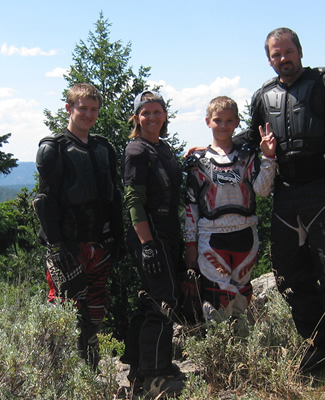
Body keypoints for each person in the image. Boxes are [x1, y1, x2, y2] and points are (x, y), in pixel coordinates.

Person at [234, 27, 325, 384]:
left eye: (287, 51)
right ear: (268, 59)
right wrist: (212, 147)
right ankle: (319, 343)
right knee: (288, 276)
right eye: (275, 54)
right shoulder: (263, 96)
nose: (283, 59)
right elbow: (251, 136)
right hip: (286, 192)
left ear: (299, 50)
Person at [33, 83, 124, 370]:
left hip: (99, 243)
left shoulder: (104, 148)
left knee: (96, 311)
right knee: (63, 312)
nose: (88, 114)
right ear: (68, 108)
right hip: (68, 245)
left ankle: (89, 370)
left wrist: (119, 238)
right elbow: (44, 201)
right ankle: (58, 374)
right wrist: (56, 246)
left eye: (94, 109)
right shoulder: (53, 148)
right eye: (82, 108)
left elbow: (114, 197)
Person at [184, 96, 276, 331]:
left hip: (246, 233)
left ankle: (243, 355)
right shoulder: (197, 161)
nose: (223, 125)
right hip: (211, 238)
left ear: (236, 122)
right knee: (218, 297)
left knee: (242, 295)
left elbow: (263, 192)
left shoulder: (248, 156)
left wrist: (268, 158)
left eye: (228, 121)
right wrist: (190, 245)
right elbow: (191, 208)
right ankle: (219, 354)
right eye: (217, 120)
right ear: (207, 122)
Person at [121, 90, 185, 398]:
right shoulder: (136, 151)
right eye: (145, 113)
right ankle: (155, 373)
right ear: (137, 118)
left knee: (152, 298)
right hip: (150, 232)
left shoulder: (164, 149)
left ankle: (138, 365)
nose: (152, 117)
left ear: (165, 115)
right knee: (164, 300)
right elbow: (134, 200)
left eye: (157, 111)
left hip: (168, 231)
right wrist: (147, 244)